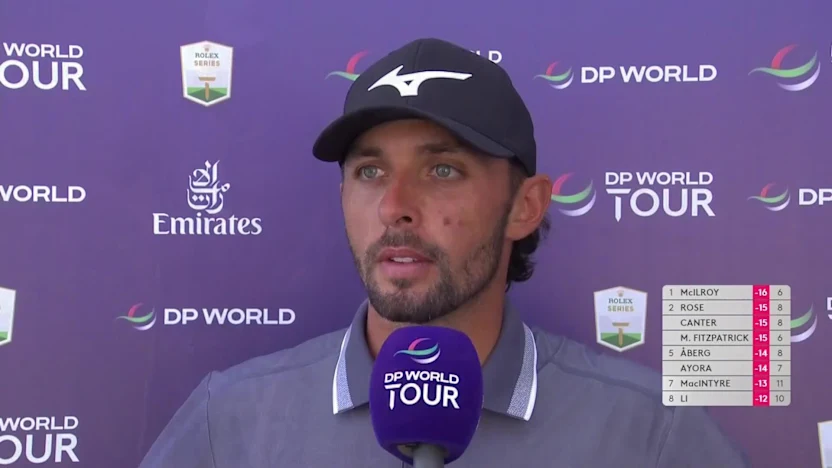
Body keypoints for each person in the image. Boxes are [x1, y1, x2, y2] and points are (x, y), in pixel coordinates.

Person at [138, 37, 749, 467]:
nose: (394, 206)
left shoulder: (651, 433)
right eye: (370, 172)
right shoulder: (231, 421)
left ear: (525, 206)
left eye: (443, 170)